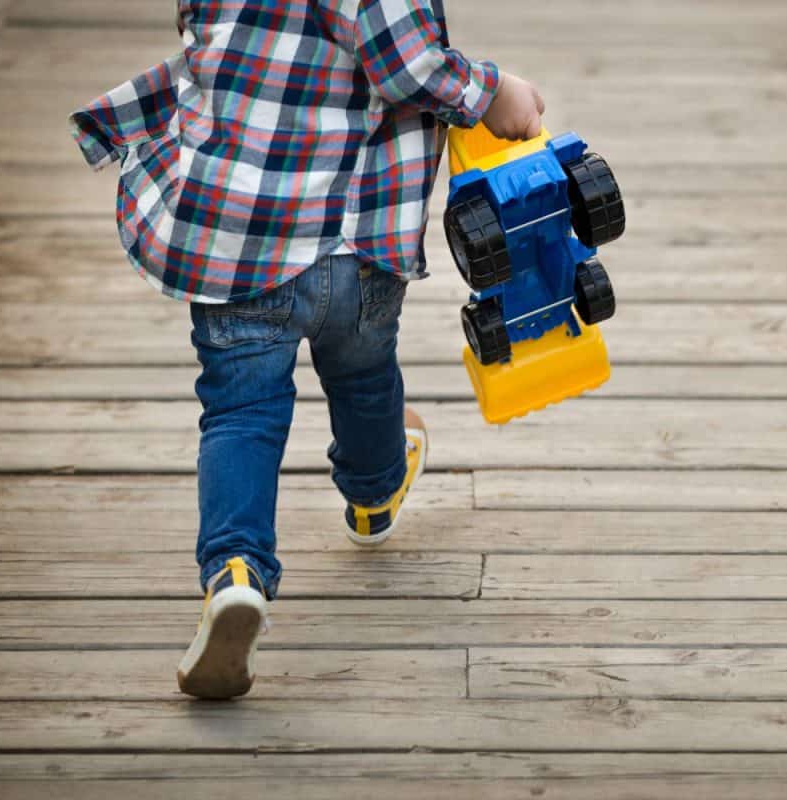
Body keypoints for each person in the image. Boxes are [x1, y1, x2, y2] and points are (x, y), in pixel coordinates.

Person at [68, 0, 543, 699]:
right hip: (359, 249)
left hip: (236, 244)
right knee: (364, 376)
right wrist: (492, 91)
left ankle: (235, 574)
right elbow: (408, 62)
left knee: (240, 415)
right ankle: (374, 497)